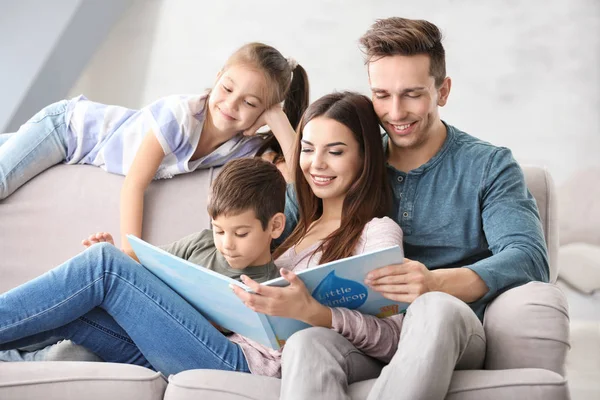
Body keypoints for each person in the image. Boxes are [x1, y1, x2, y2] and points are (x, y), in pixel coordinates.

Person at [0, 92, 404, 379]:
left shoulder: (377, 233)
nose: (316, 164)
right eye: (308, 149)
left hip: (244, 364)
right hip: (201, 342)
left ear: (364, 157)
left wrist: (314, 313)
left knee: (105, 266)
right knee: (81, 304)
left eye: (334, 152)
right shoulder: (297, 226)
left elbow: (391, 338)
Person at [278, 17, 550, 400]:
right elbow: (279, 234)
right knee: (309, 345)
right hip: (368, 332)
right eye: (382, 94)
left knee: (432, 308)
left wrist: (436, 283)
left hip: (451, 325)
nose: (395, 112)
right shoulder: (349, 159)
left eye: (412, 94)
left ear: (443, 91)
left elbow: (528, 257)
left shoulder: (487, 166)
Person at [0, 42, 309, 259]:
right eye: (228, 89)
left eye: (250, 103)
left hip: (79, 147)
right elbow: (134, 184)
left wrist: (278, 120)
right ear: (217, 79)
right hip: (68, 129)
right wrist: (130, 253)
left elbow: (302, 176)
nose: (231, 104)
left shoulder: (244, 147)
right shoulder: (181, 116)